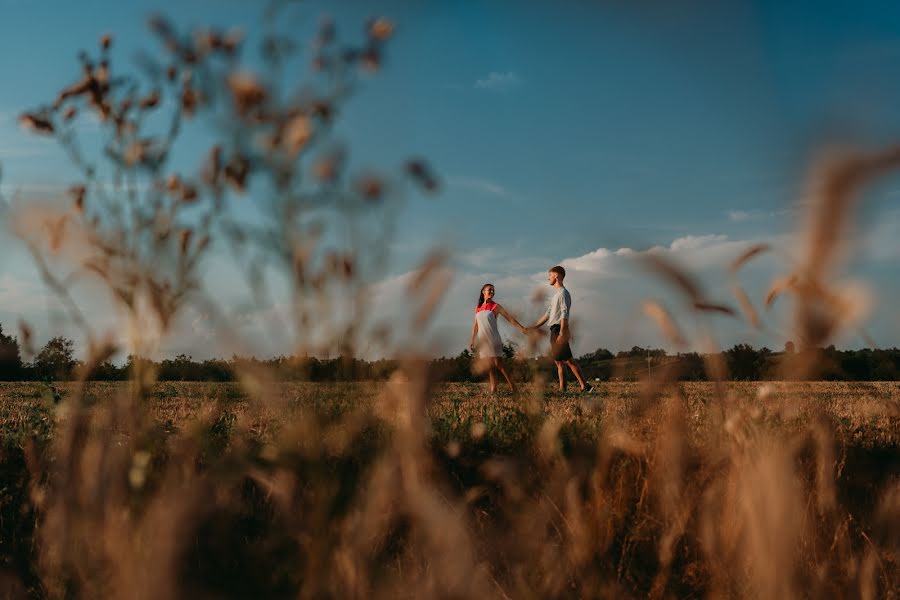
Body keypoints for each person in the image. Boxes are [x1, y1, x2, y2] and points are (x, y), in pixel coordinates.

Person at [526, 265, 592, 393]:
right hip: (554, 329)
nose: (548, 278)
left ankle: (581, 387)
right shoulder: (556, 295)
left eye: (550, 275)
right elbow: (547, 314)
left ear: (556, 276)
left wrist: (562, 332)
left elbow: (564, 313)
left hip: (558, 329)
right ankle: (573, 387)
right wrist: (533, 327)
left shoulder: (563, 293)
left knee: (567, 360)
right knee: (559, 361)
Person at [470, 283, 527, 394]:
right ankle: (494, 390)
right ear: (483, 291)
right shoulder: (478, 308)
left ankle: (514, 388)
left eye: (493, 290)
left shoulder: (496, 307)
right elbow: (475, 325)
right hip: (483, 340)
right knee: (490, 366)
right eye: (489, 290)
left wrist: (522, 328)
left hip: (493, 339)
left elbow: (510, 319)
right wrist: (472, 339)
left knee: (499, 364)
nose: (492, 292)